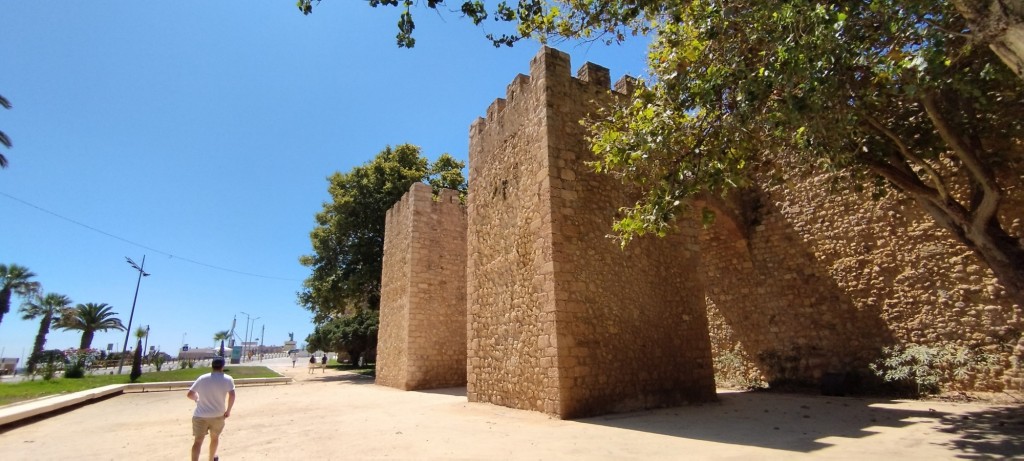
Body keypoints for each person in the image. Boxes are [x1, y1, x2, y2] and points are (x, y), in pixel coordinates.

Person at [187, 357, 235, 461]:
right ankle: (211, 458)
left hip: (200, 415)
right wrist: (228, 411)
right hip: (218, 415)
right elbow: (232, 395)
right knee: (214, 438)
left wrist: (197, 399)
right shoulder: (228, 379)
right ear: (223, 366)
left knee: (198, 441)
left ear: (212, 365)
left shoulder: (202, 378)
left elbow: (190, 394)